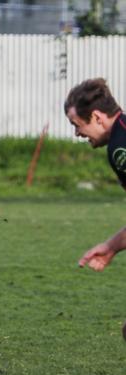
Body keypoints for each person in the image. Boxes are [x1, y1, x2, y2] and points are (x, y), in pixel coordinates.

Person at [66, 79, 126, 283]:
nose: (77, 134)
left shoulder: (120, 147)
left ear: (97, 117)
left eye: (77, 125)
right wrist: (111, 247)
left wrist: (111, 246)